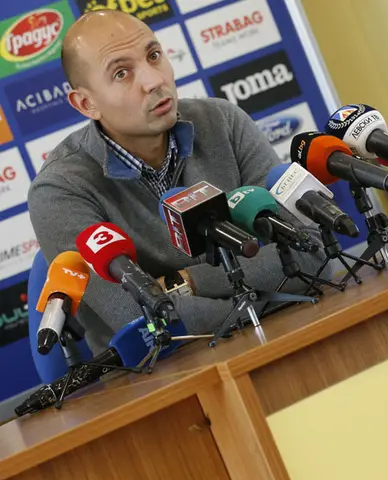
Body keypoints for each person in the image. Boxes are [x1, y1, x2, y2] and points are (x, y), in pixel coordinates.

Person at [28, 10, 323, 354]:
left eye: (154, 55)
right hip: (167, 371)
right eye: (122, 73)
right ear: (86, 103)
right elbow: (144, 322)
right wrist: (259, 297)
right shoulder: (59, 189)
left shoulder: (224, 123)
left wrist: (187, 283)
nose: (153, 80)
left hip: (284, 335)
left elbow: (309, 253)